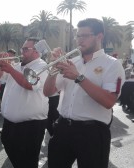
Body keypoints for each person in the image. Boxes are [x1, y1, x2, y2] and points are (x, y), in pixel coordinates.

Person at [43, 18, 125, 168]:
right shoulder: (72, 61)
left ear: (99, 36)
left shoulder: (112, 64)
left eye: (84, 36)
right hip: (63, 128)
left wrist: (78, 77)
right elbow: (48, 92)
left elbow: (108, 101)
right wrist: (53, 69)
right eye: (77, 36)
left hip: (93, 133)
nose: (79, 40)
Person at [0, 37, 49, 168]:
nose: (21, 51)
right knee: (13, 152)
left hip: (30, 125)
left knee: (28, 161)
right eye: (22, 48)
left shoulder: (42, 66)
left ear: (36, 51)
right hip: (10, 123)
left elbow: (30, 84)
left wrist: (10, 69)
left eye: (25, 49)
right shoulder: (17, 65)